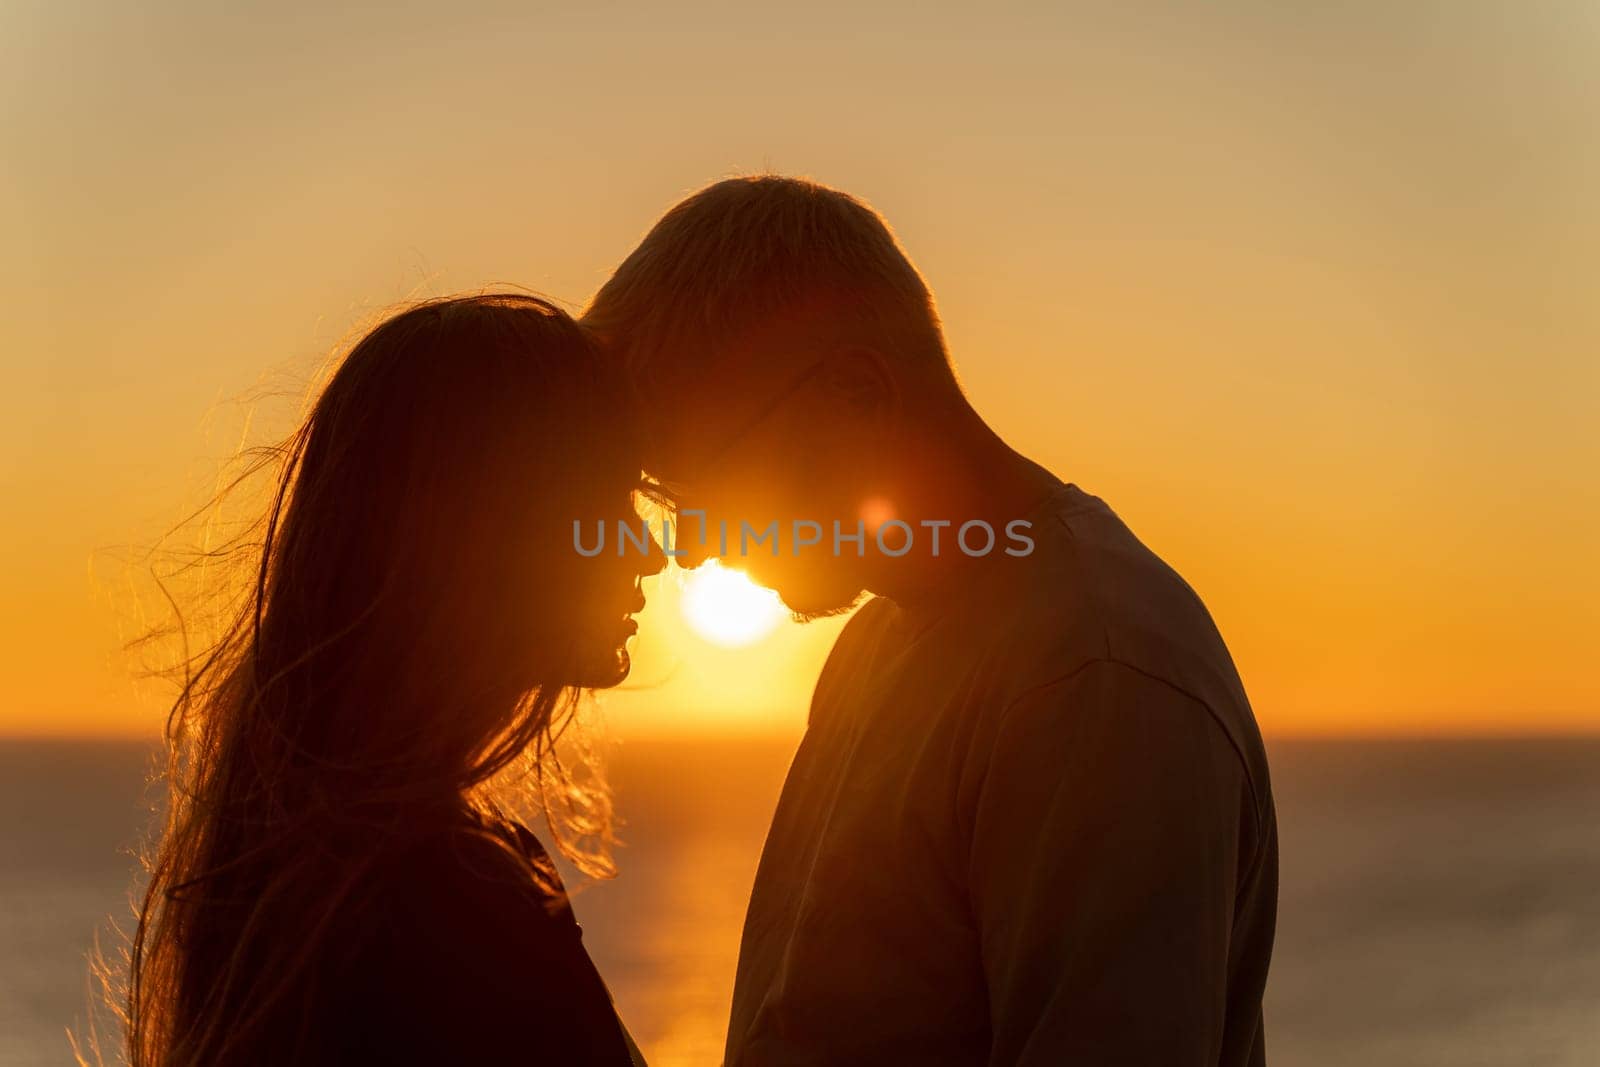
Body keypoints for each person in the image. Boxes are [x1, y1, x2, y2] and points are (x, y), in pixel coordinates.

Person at [584, 176, 1278, 1066]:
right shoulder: (882, 641)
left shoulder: (1097, 678)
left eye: (703, 483)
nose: (687, 548)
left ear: (857, 393)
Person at [126, 295, 658, 1066]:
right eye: (607, 506)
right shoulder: (448, 903)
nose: (647, 550)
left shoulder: (310, 857)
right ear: (492, 534)